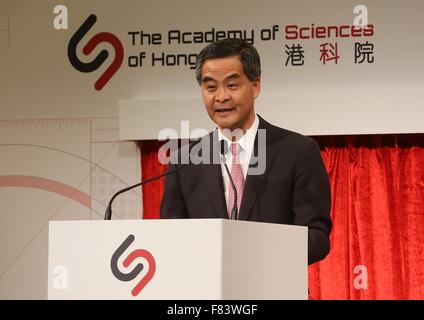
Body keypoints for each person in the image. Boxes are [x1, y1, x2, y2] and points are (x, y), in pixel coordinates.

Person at [160, 38, 332, 265]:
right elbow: (171, 237)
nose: (221, 97)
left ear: (255, 85)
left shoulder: (298, 152)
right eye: (211, 87)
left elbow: (317, 237)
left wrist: (257, 250)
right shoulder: (185, 161)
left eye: (232, 85)